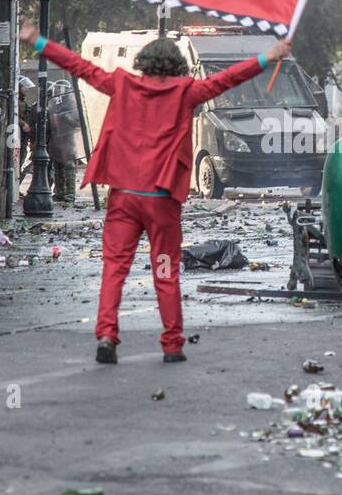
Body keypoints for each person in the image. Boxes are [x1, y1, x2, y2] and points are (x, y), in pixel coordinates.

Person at [18, 20, 292, 364]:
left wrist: (38, 40)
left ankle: (106, 333)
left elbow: (81, 67)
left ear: (143, 63)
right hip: (161, 201)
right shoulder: (187, 92)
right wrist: (270, 55)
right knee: (165, 271)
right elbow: (229, 78)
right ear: (177, 65)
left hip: (124, 198)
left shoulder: (121, 84)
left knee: (115, 268)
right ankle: (172, 343)